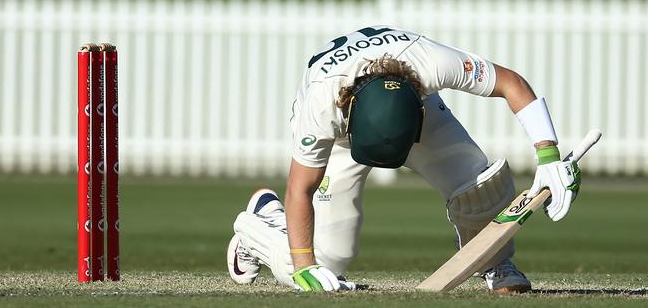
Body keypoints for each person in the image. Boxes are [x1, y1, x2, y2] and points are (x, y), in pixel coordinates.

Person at [227, 26, 580, 293]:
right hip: (341, 136)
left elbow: (511, 83)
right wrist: (305, 265)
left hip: (418, 112)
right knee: (325, 264)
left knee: (474, 178)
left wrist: (548, 155)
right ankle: (261, 226)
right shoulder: (320, 108)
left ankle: (495, 262)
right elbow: (300, 188)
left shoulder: (430, 62)